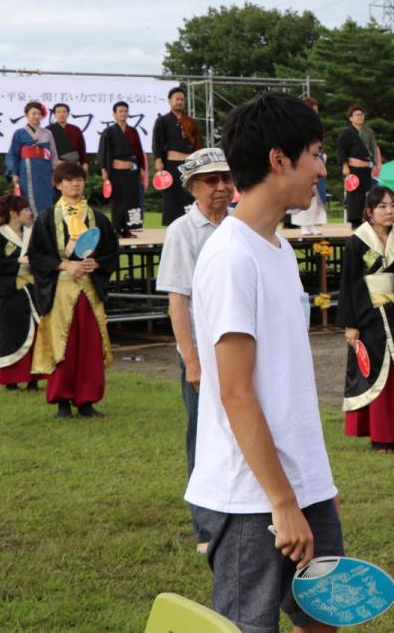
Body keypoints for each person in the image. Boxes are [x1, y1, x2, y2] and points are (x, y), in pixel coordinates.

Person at [185, 91, 342, 633]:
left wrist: (313, 483)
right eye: (316, 155)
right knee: (247, 626)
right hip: (252, 495)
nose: (322, 169)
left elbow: (284, 380)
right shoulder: (231, 257)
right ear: (279, 160)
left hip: (300, 484)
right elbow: (235, 391)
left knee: (325, 616)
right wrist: (281, 501)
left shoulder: (277, 249)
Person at [154, 148, 233, 554]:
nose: (221, 187)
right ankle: (206, 527)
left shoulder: (239, 225)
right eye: (210, 181)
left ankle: (241, 516)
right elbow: (177, 301)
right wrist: (193, 360)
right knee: (203, 437)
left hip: (237, 350)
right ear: (191, 187)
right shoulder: (182, 231)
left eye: (226, 179)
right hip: (203, 353)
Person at [340, 184, 394, 454]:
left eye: (392, 205)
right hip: (368, 315)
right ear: (369, 211)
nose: (389, 211)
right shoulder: (357, 241)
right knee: (375, 373)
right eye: (382, 206)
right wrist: (351, 323)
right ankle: (379, 437)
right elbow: (349, 283)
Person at [28, 161, 118, 419]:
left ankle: (87, 401)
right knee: (62, 346)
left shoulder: (97, 217)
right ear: (58, 184)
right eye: (68, 180)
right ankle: (62, 402)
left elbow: (112, 251)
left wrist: (96, 263)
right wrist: (64, 264)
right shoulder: (46, 218)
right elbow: (36, 255)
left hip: (89, 292)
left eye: (78, 178)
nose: (75, 183)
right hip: (61, 292)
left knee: (89, 346)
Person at [0, 194, 39, 393]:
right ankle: (11, 380)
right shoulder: (0, 235)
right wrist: (16, 263)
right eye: (25, 210)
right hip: (10, 291)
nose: (29, 213)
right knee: (12, 334)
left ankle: (34, 378)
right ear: (13, 213)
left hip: (32, 290)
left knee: (37, 334)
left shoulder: (31, 234)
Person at [152, 86, 202, 226]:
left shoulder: (191, 121)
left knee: (190, 192)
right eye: (177, 99)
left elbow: (198, 142)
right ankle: (172, 226)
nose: (179, 102)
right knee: (171, 195)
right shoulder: (162, 120)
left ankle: (192, 223)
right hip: (171, 163)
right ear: (170, 101)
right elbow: (157, 141)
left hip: (189, 163)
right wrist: (158, 159)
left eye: (182, 99)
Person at [97, 101, 148, 237]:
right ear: (114, 114)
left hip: (132, 170)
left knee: (131, 200)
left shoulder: (133, 131)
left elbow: (138, 151)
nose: (123, 113)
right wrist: (104, 170)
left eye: (125, 111)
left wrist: (142, 168)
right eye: (120, 111)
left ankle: (128, 229)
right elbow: (103, 152)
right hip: (116, 171)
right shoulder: (109, 132)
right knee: (118, 200)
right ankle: (116, 229)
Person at [6, 101, 58, 216]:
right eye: (33, 113)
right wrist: (14, 173)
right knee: (26, 198)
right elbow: (13, 154)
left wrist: (54, 173)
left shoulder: (47, 133)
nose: (36, 116)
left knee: (46, 196)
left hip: (45, 170)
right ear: (26, 115)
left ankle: (45, 222)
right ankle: (29, 226)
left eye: (39, 114)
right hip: (27, 170)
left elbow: (53, 153)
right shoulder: (19, 133)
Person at [291, 96, 328, 234]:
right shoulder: (297, 126)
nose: (315, 114)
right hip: (303, 160)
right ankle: (303, 226)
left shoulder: (316, 126)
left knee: (316, 194)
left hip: (315, 158)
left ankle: (312, 223)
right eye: (313, 110)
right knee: (304, 191)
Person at [336, 105, 374, 229]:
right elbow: (342, 150)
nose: (360, 117)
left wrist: (375, 165)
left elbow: (373, 149)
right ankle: (355, 221)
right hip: (353, 167)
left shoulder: (368, 132)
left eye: (361, 115)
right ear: (351, 118)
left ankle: (366, 218)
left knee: (366, 193)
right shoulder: (347, 133)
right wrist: (345, 166)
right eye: (357, 115)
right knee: (354, 195)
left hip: (366, 167)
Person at [46, 103, 88, 176]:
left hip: (75, 164)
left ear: (68, 114)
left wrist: (84, 163)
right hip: (57, 165)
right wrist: (55, 161)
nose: (61, 114)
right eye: (58, 112)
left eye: (64, 112)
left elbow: (82, 148)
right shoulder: (48, 130)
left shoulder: (76, 129)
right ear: (54, 114)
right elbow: (45, 150)